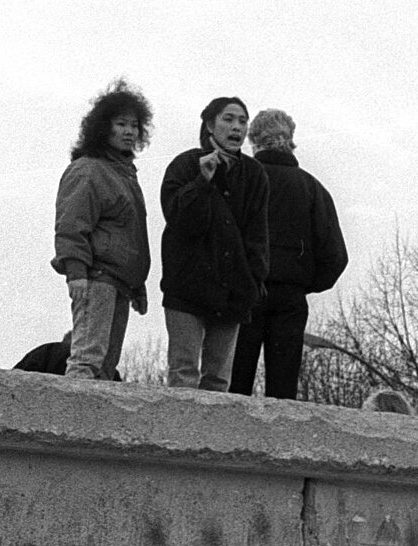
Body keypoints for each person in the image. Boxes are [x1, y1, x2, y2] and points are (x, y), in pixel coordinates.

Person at [230, 109, 348, 400]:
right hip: (291, 297)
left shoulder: (239, 179)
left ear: (254, 141)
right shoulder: (312, 187)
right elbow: (336, 255)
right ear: (291, 141)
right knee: (283, 392)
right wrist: (304, 283)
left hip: (243, 292)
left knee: (234, 385)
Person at [160, 97, 270, 391]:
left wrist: (254, 281)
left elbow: (257, 235)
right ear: (210, 124)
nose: (236, 127)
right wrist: (202, 181)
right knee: (184, 372)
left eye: (242, 121)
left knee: (219, 380)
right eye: (228, 119)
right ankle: (179, 436)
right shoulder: (185, 164)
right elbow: (180, 220)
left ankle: (209, 440)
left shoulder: (255, 174)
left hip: (233, 291)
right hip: (186, 288)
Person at [51, 78, 153, 381]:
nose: (129, 131)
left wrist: (137, 285)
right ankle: (71, 420)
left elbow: (128, 237)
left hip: (120, 283)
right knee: (86, 359)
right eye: (121, 123)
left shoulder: (124, 174)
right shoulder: (89, 169)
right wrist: (76, 272)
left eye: (134, 125)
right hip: (95, 279)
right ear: (102, 127)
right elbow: (71, 225)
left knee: (107, 367)